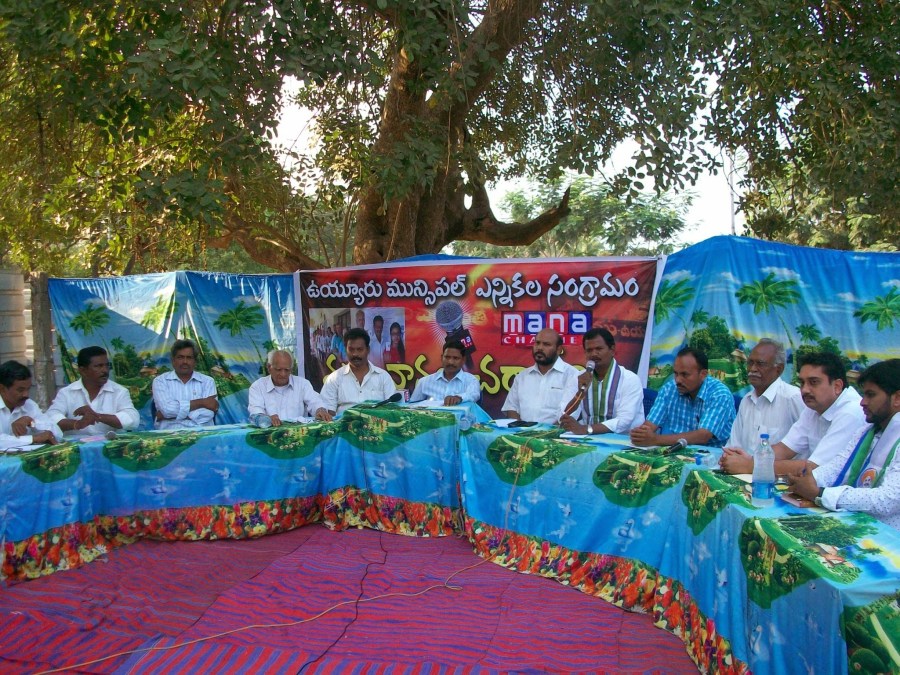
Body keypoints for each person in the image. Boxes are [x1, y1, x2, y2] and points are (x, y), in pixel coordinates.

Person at [788, 359, 900, 529]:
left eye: (870, 395)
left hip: (889, 538)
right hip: (859, 526)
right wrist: (807, 480)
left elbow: (888, 500)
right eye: (863, 394)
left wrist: (820, 493)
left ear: (897, 398)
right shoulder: (867, 431)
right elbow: (837, 467)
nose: (862, 402)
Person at [720, 352, 864, 475]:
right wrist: (750, 461)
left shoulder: (851, 412)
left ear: (837, 386)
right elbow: (785, 448)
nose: (805, 390)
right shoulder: (813, 408)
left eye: (813, 382)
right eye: (802, 383)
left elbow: (815, 468)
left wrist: (751, 466)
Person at [630, 347, 735, 448]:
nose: (678, 380)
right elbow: (649, 426)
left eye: (685, 375)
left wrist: (655, 439)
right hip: (674, 451)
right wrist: (641, 435)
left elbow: (703, 436)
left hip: (713, 455)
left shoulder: (719, 395)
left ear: (703, 374)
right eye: (676, 374)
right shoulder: (669, 389)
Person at [559, 327, 644, 435]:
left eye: (599, 349)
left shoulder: (629, 379)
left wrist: (586, 429)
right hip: (586, 438)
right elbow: (563, 416)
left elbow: (624, 421)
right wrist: (580, 393)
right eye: (589, 350)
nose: (594, 354)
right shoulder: (579, 377)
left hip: (623, 439)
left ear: (612, 350)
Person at [724, 339, 804, 451]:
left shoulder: (793, 398)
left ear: (779, 369)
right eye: (750, 363)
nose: (752, 369)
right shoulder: (746, 401)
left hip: (780, 463)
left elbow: (810, 445)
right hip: (743, 462)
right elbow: (733, 445)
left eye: (760, 364)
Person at [46, 346, 140, 435]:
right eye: (98, 366)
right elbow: (51, 417)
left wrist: (98, 416)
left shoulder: (119, 391)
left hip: (110, 443)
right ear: (83, 370)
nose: (105, 370)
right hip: (76, 445)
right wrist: (78, 424)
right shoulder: (66, 393)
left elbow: (132, 419)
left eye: (107, 365)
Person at [501, 328, 578, 424]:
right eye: (537, 343)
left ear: (558, 350)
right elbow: (511, 408)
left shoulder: (572, 375)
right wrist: (520, 429)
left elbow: (569, 414)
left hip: (557, 432)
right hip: (522, 432)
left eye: (546, 344)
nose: (540, 348)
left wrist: (547, 432)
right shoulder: (522, 377)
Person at [320, 328, 397, 415]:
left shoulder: (383, 377)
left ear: (368, 350)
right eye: (351, 349)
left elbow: (393, 411)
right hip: (343, 423)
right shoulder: (334, 379)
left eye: (360, 349)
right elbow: (328, 412)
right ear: (345, 350)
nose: (355, 354)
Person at [248, 350, 332, 425]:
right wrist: (266, 419)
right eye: (279, 370)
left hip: (299, 434)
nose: (283, 374)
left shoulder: (302, 384)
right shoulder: (258, 387)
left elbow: (315, 402)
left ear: (291, 369)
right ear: (269, 368)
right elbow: (256, 413)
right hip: (270, 435)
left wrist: (320, 410)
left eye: (287, 370)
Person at [151, 339, 219, 429]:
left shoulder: (208, 381)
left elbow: (208, 414)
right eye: (180, 357)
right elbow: (167, 410)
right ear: (173, 360)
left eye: (189, 358)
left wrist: (168, 415)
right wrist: (202, 402)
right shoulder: (160, 381)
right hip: (170, 434)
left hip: (202, 433)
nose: (185, 362)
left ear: (195, 361)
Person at [0, 360, 60, 447]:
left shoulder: (29, 405)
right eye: (20, 390)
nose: (26, 395)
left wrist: (32, 423)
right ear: (2, 388)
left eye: (28, 389)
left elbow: (58, 433)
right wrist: (33, 439)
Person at [410, 341, 481, 406]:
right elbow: (412, 407)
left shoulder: (471, 380)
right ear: (442, 358)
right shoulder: (424, 382)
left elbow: (474, 394)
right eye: (447, 357)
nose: (450, 362)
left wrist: (458, 398)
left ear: (463, 360)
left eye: (455, 358)